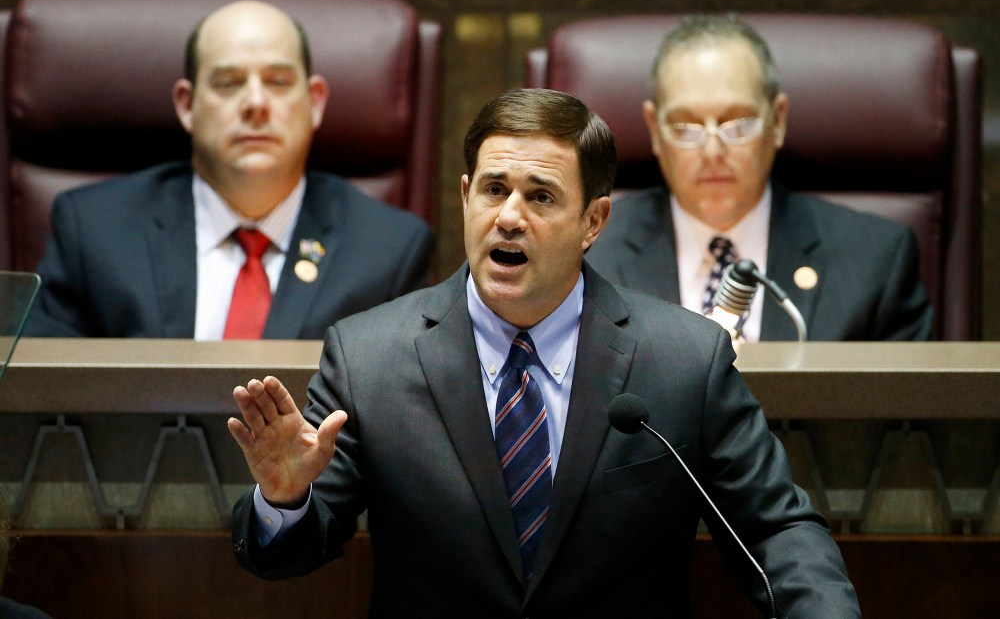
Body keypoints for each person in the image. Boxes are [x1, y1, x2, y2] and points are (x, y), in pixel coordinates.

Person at [227, 88, 860, 616]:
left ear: (594, 221)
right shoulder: (369, 357)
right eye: (493, 189)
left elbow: (775, 530)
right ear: (466, 194)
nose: (508, 217)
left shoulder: (683, 359)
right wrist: (284, 500)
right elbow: (290, 554)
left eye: (541, 196)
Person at [22, 0, 433, 340]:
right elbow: (45, 402)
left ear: (315, 102)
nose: (255, 103)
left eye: (277, 81)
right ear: (187, 105)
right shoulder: (95, 232)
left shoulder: (387, 251)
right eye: (228, 83)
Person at [587, 14, 932, 342]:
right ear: (655, 130)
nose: (712, 151)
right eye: (685, 127)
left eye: (738, 124)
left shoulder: (875, 261)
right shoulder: (589, 256)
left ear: (778, 121)